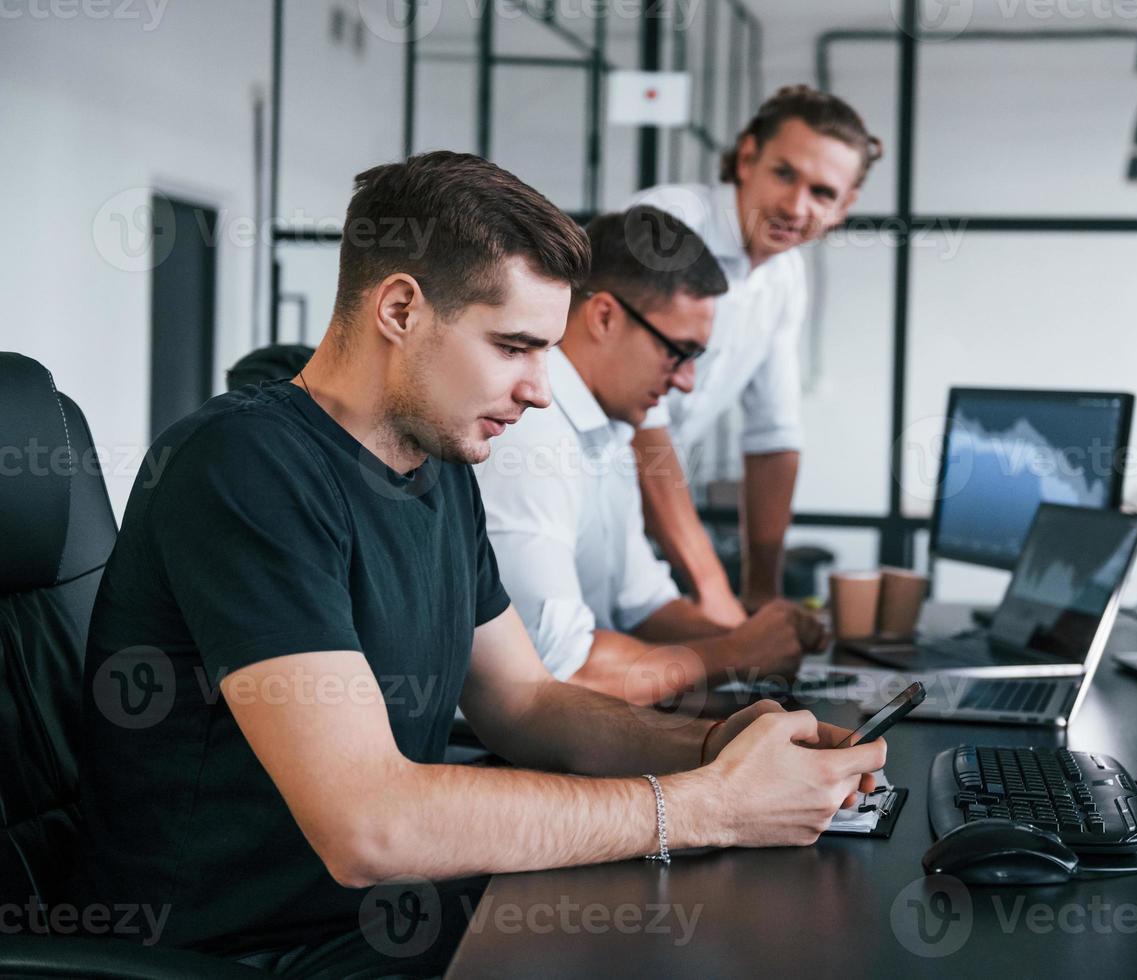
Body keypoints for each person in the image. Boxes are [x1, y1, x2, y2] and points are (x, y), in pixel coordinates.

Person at [76, 151, 884, 972]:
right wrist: (708, 806)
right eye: (514, 347)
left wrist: (718, 747)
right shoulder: (245, 467)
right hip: (254, 951)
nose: (539, 389)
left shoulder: (439, 469)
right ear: (399, 308)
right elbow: (369, 824)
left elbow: (525, 703)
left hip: (392, 916)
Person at [479, 206, 828, 705]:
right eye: (677, 351)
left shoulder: (610, 434)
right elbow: (561, 672)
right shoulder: (531, 434)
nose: (686, 381)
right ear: (604, 316)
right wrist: (737, 650)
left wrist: (758, 638)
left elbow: (644, 607)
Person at [629, 84, 883, 627]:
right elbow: (640, 423)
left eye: (822, 192)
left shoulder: (785, 275)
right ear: (747, 158)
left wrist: (761, 594)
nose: (796, 207)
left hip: (630, 522)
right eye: (784, 174)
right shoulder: (670, 222)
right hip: (562, 486)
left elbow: (774, 436)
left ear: (845, 207)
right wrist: (714, 590)